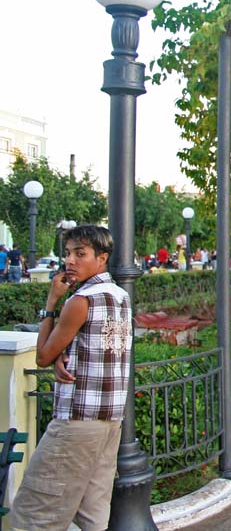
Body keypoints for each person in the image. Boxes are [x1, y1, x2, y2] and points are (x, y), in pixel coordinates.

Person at [10, 225, 132, 531]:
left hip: (77, 420)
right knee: (93, 512)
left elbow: (42, 356)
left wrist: (51, 302)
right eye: (67, 254)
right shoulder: (120, 297)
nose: (70, 261)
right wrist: (61, 361)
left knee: (35, 511)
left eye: (80, 254)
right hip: (110, 419)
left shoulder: (80, 301)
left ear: (101, 258)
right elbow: (93, 351)